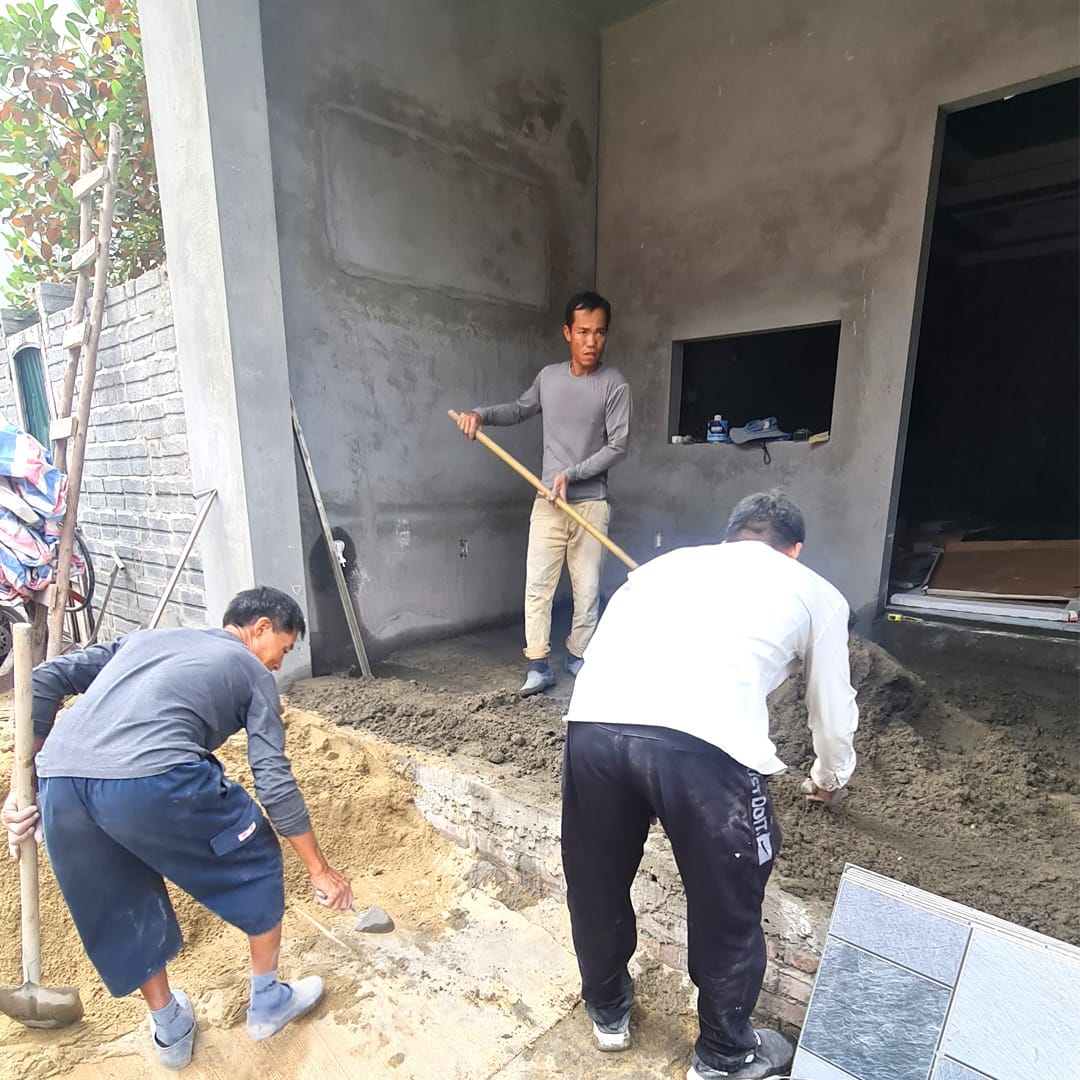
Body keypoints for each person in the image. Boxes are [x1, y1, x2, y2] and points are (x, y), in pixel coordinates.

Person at [559, 491, 859, 1080]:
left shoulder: (661, 569)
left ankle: (608, 1013)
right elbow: (832, 709)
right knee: (728, 903)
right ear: (794, 549)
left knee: (595, 883)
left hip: (593, 727)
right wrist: (829, 776)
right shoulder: (816, 593)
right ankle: (724, 1055)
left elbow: (605, 653)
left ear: (730, 535)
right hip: (704, 749)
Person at [1, 586, 353, 1070]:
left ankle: (169, 1027)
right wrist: (318, 869)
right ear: (261, 628)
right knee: (255, 852)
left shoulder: (145, 640)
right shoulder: (252, 671)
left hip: (61, 785)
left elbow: (45, 677)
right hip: (155, 776)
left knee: (120, 897)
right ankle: (268, 999)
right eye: (285, 648)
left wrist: (27, 784)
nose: (279, 664)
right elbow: (273, 781)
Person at [457, 291, 631, 697]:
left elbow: (618, 446)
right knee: (538, 585)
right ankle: (538, 665)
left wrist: (571, 474)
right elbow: (519, 409)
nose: (591, 341)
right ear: (567, 332)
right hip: (548, 501)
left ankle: (578, 655)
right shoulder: (549, 378)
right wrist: (481, 415)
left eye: (599, 332)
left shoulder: (615, 385)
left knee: (587, 590)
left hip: (591, 503)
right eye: (583, 331)